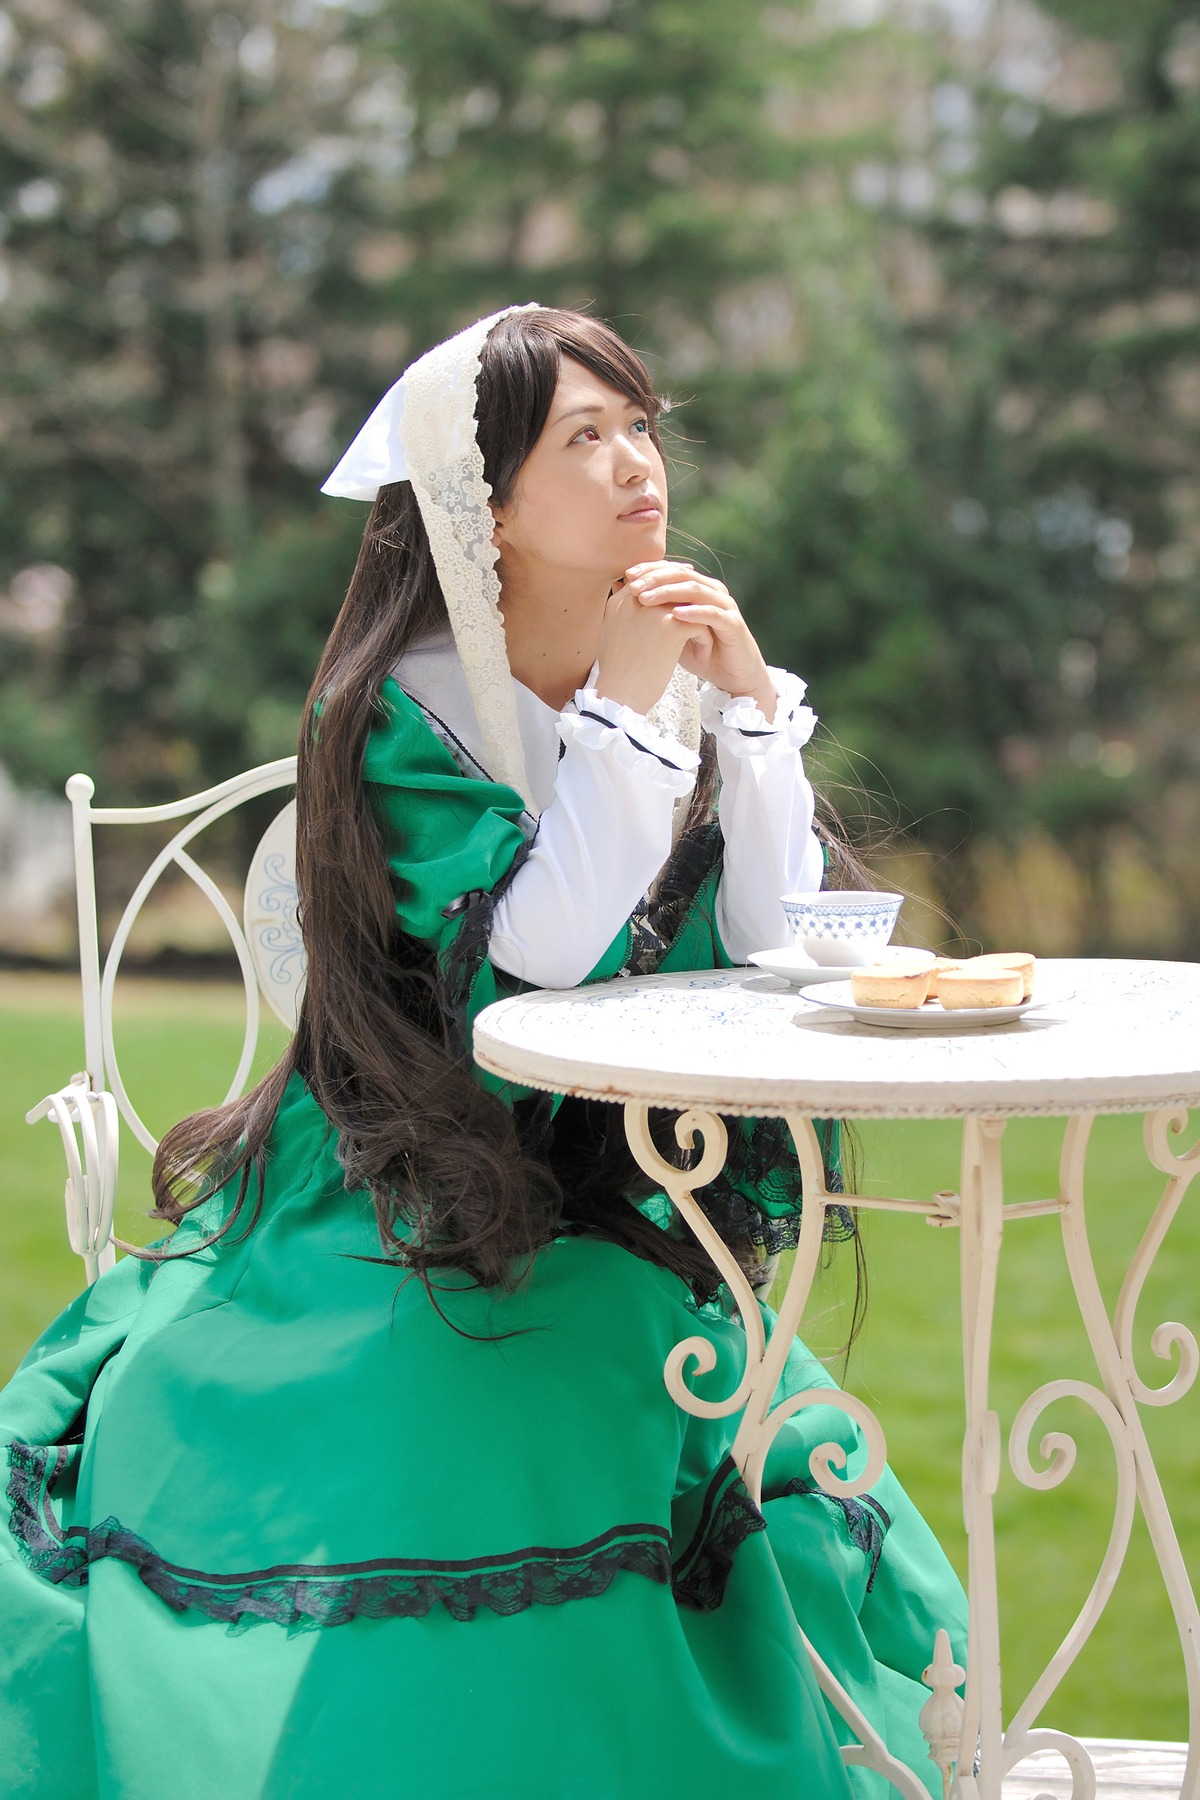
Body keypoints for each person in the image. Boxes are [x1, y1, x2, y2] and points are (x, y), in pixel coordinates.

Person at [0, 304, 966, 1800]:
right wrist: (644, 718)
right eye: (583, 438)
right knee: (517, 1383)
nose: (637, 460)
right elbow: (539, 952)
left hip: (625, 1181)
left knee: (631, 1351)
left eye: (640, 424)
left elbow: (780, 928)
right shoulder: (405, 707)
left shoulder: (673, 660)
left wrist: (756, 710)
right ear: (485, 505)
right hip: (400, 1185)